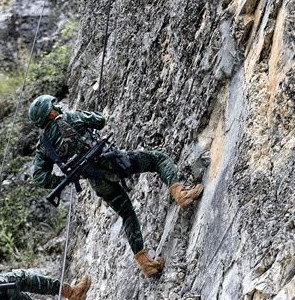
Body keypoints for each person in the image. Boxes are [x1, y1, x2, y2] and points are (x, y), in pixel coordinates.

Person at [29, 95, 203, 277]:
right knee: (157, 159)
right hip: (112, 162)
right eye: (54, 105)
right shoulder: (70, 118)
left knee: (127, 214)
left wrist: (66, 179)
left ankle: (146, 264)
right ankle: (180, 194)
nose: (57, 106)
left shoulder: (44, 147)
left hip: (97, 180)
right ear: (50, 113)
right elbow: (99, 121)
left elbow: (39, 177)